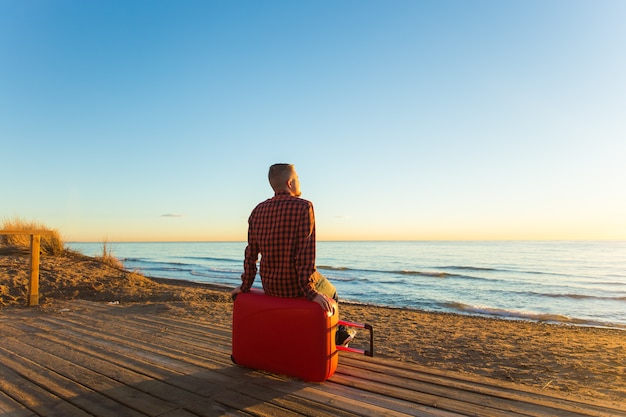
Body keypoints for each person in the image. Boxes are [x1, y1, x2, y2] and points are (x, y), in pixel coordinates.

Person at [231, 163, 355, 346]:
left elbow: (251, 254)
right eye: (297, 178)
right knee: (332, 293)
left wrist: (245, 285)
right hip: (295, 287)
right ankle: (336, 336)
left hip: (271, 285)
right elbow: (306, 256)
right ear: (290, 183)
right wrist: (311, 292)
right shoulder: (304, 207)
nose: (299, 181)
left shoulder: (257, 211)